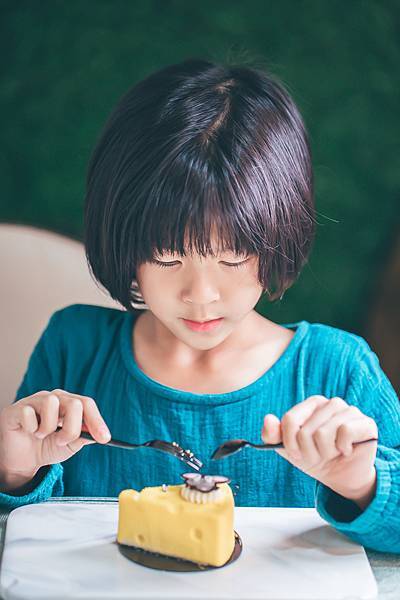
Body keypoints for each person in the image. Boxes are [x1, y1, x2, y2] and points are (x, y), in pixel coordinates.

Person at [0, 58, 399, 553]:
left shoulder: (338, 369)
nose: (201, 294)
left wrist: (362, 485)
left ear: (280, 235)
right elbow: (26, 535)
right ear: (123, 243)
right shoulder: (73, 348)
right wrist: (15, 470)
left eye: (232, 258)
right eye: (167, 257)